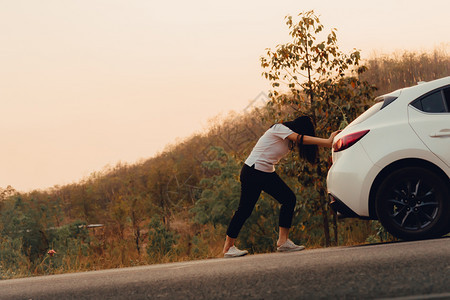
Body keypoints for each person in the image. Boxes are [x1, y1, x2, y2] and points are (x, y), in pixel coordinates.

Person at [223, 115, 340, 257]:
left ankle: (282, 241)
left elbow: (302, 140)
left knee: (289, 199)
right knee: (245, 210)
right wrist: (327, 141)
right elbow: (300, 138)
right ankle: (228, 247)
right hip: (253, 170)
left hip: (265, 171)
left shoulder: (289, 139)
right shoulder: (279, 128)